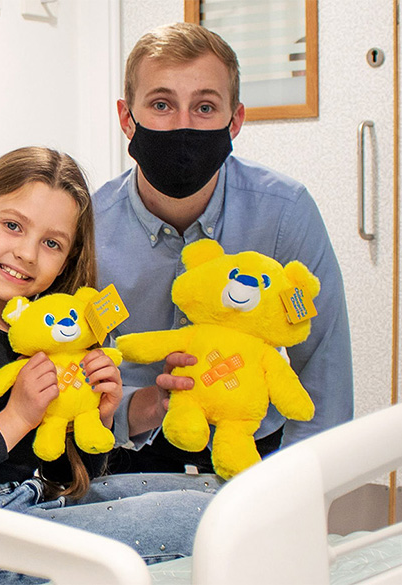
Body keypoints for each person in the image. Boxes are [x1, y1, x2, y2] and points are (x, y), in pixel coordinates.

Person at [0, 146, 221, 585]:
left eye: (51, 243)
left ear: (67, 260)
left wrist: (96, 422)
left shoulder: (39, 338)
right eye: (13, 226)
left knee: (214, 493)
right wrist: (17, 417)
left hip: (22, 506)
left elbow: (56, 478)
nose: (28, 254)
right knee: (199, 517)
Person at [93, 22, 353, 474]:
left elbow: (325, 372)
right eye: (161, 104)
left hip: (256, 453)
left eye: (205, 107)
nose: (182, 125)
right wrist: (144, 409)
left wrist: (297, 490)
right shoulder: (88, 226)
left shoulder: (285, 213)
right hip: (126, 452)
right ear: (125, 117)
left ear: (235, 120)